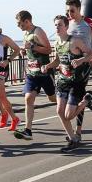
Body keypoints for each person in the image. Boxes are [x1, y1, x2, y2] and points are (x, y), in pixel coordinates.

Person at [47, 14, 92, 152]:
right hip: (63, 80)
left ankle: (86, 101)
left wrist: (80, 60)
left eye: (59, 25)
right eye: (55, 25)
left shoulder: (75, 41)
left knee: (69, 115)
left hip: (76, 81)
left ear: (66, 26)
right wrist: (48, 66)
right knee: (59, 111)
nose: (57, 27)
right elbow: (58, 60)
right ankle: (73, 139)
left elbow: (91, 54)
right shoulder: (57, 42)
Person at [15, 10, 54, 140]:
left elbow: (48, 49)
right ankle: (28, 130)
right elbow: (30, 49)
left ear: (27, 21)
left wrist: (31, 46)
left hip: (44, 72)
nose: (18, 26)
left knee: (53, 99)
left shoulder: (38, 31)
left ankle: (78, 105)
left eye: (19, 23)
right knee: (28, 98)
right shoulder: (26, 33)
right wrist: (23, 52)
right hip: (32, 73)